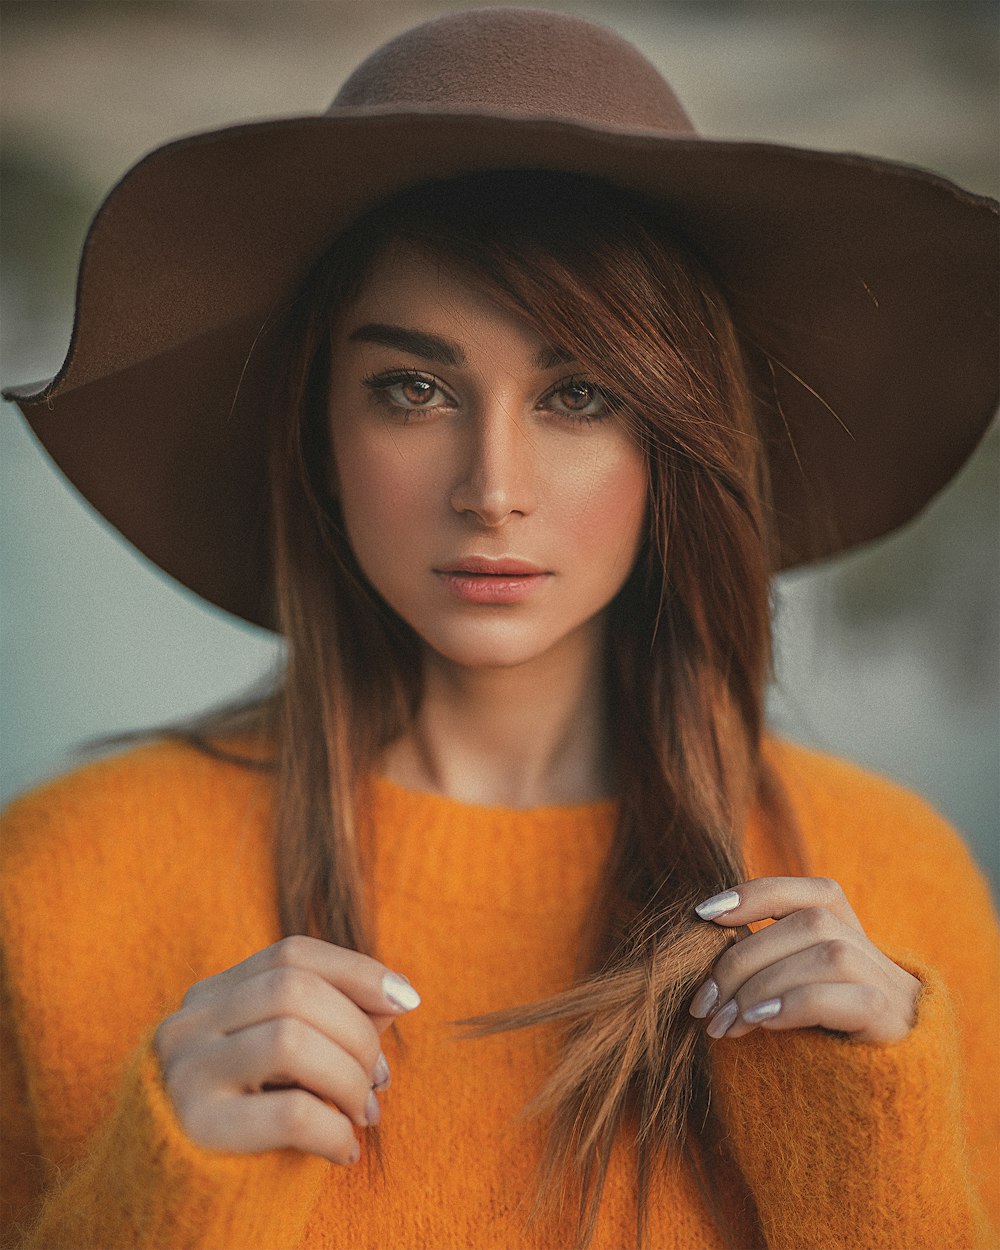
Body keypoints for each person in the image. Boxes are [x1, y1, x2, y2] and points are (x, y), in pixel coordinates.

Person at [1, 9, 997, 1250]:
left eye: (579, 393)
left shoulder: (896, 888)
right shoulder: (57, 885)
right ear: (319, 429)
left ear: (673, 441)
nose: (492, 485)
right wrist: (156, 1203)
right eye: (411, 388)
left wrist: (866, 1142)